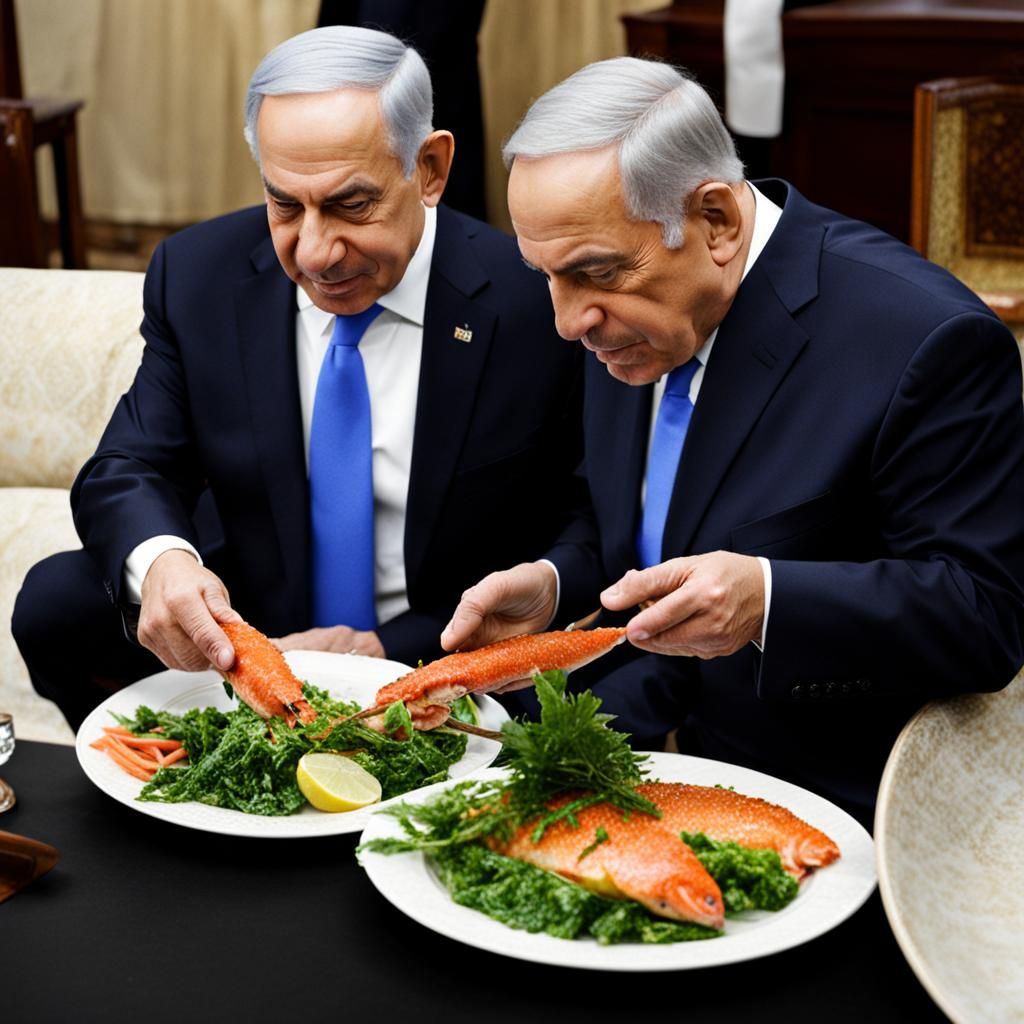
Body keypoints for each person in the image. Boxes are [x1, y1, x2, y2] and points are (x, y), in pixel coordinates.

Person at [440, 57, 1024, 825]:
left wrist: (770, 603)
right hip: (627, 754)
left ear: (715, 220)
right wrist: (559, 585)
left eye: (596, 273)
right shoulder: (616, 315)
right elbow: (645, 525)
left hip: (831, 808)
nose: (567, 322)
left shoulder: (926, 339)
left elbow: (985, 617)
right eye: (547, 276)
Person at [12, 26, 582, 731]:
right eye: (286, 204)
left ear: (430, 168)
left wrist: (392, 649)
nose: (315, 252)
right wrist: (163, 565)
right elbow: (126, 466)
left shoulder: (535, 300)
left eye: (350, 204)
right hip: (248, 639)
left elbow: (586, 521)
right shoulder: (199, 276)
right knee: (55, 600)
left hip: (442, 653)